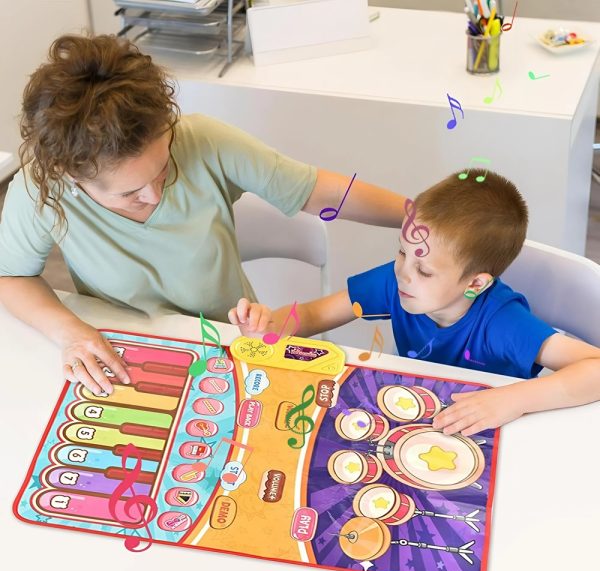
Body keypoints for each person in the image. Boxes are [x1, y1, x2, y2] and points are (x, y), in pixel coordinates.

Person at [0, 34, 407, 397]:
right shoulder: (40, 189)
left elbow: (319, 192)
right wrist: (68, 331)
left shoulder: (204, 140)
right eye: (129, 193)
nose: (154, 194)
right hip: (127, 358)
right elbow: (10, 277)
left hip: (232, 347)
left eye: (163, 169)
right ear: (72, 176)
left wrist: (418, 217)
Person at [228, 169, 600, 436]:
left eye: (424, 270)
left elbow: (595, 368)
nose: (404, 273)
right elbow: (313, 314)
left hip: (491, 432)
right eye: (402, 251)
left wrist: (512, 400)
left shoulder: (502, 323)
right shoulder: (398, 282)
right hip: (417, 417)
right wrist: (269, 326)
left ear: (475, 283)